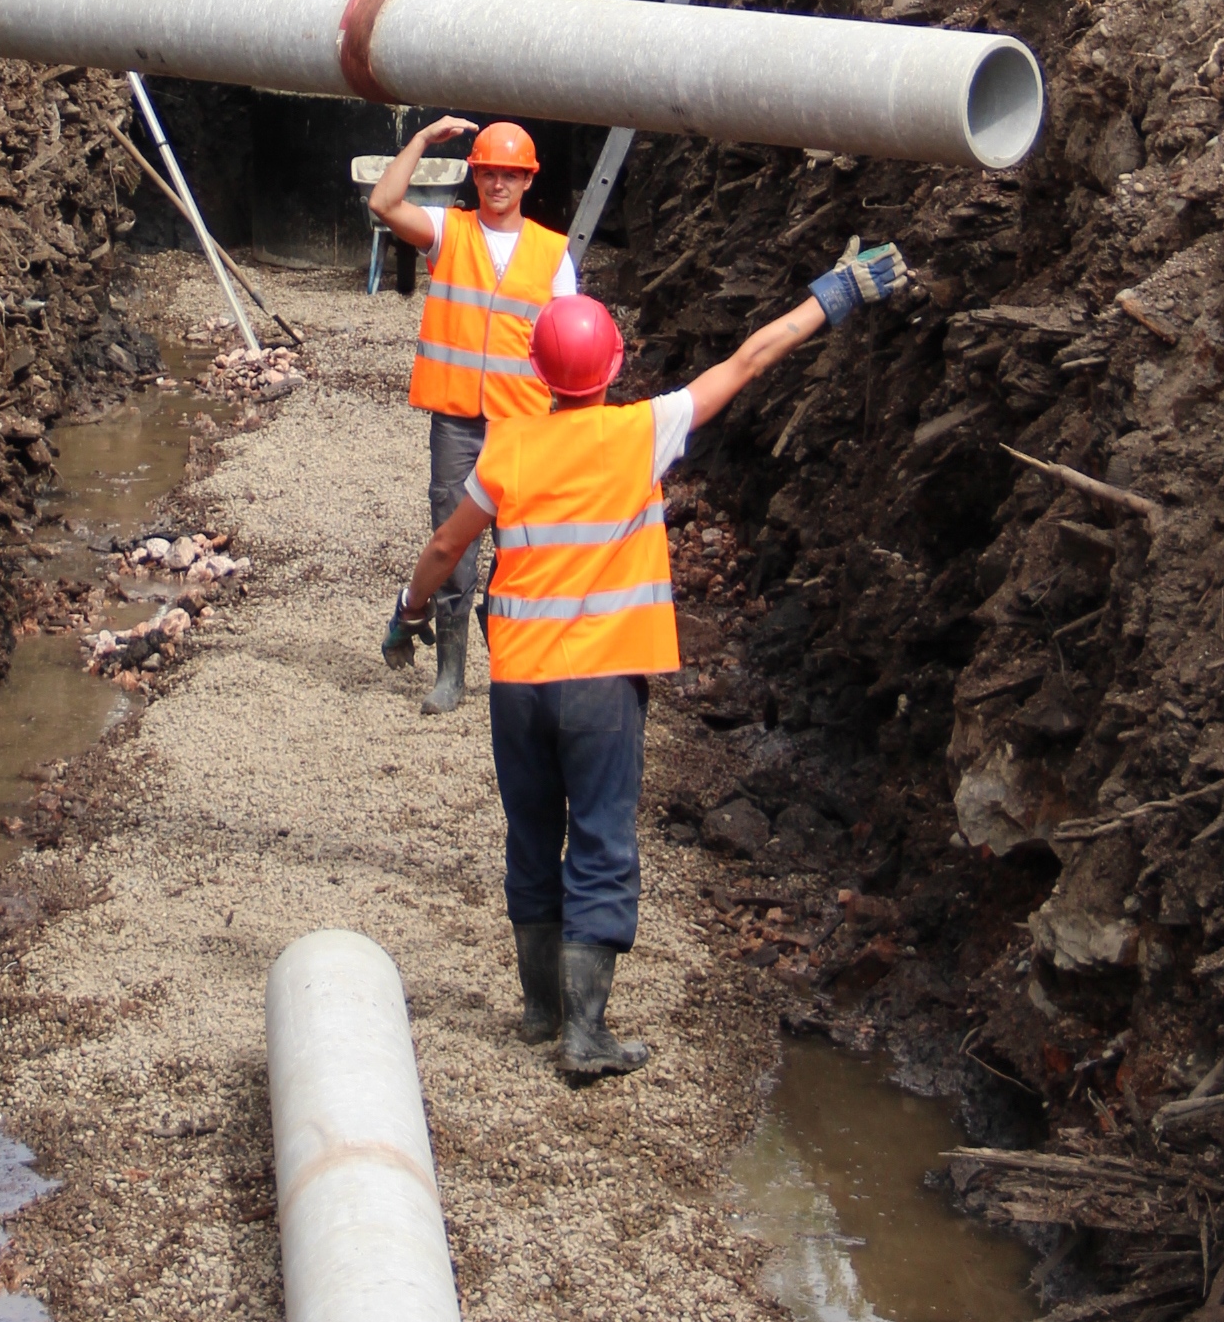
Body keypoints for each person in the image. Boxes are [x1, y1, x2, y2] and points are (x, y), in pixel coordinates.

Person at [397, 246, 911, 1080]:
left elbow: (445, 544)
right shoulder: (644, 431)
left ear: (536, 368)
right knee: (599, 841)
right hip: (601, 686)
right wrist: (836, 292)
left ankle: (538, 1011)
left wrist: (410, 614)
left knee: (532, 837)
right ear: (615, 365)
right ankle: (586, 1034)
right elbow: (750, 357)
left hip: (519, 686)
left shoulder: (508, 450)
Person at [369, 117, 576, 715]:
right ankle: (451, 674)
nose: (499, 183)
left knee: (518, 546)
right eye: (489, 172)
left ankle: (513, 668)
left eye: (511, 174)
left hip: (522, 423)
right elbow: (385, 202)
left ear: (528, 179)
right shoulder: (447, 232)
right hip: (458, 418)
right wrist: (424, 140)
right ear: (475, 175)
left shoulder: (552, 254)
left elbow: (568, 344)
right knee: (455, 542)